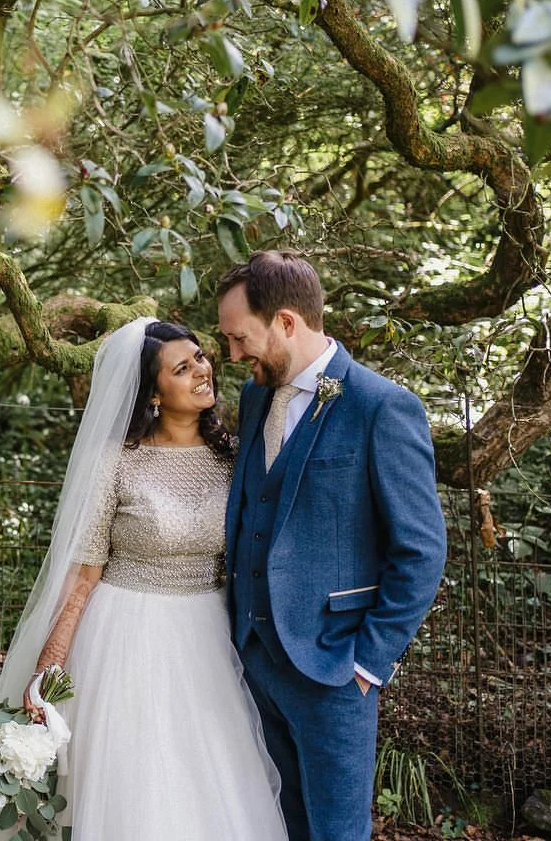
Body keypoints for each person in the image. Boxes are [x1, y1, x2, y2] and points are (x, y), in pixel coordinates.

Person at [0, 318, 287, 841]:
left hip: (209, 634)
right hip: (126, 634)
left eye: (202, 358)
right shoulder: (116, 462)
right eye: (181, 368)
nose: (203, 371)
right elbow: (84, 574)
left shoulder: (234, 457)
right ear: (153, 393)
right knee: (134, 778)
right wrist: (47, 669)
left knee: (209, 769)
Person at [216, 250, 448, 841]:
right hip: (254, 658)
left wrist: (368, 662)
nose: (233, 355)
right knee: (278, 824)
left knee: (337, 833)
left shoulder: (380, 406)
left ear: (287, 322)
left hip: (334, 670)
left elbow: (421, 550)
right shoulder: (254, 399)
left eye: (241, 339)